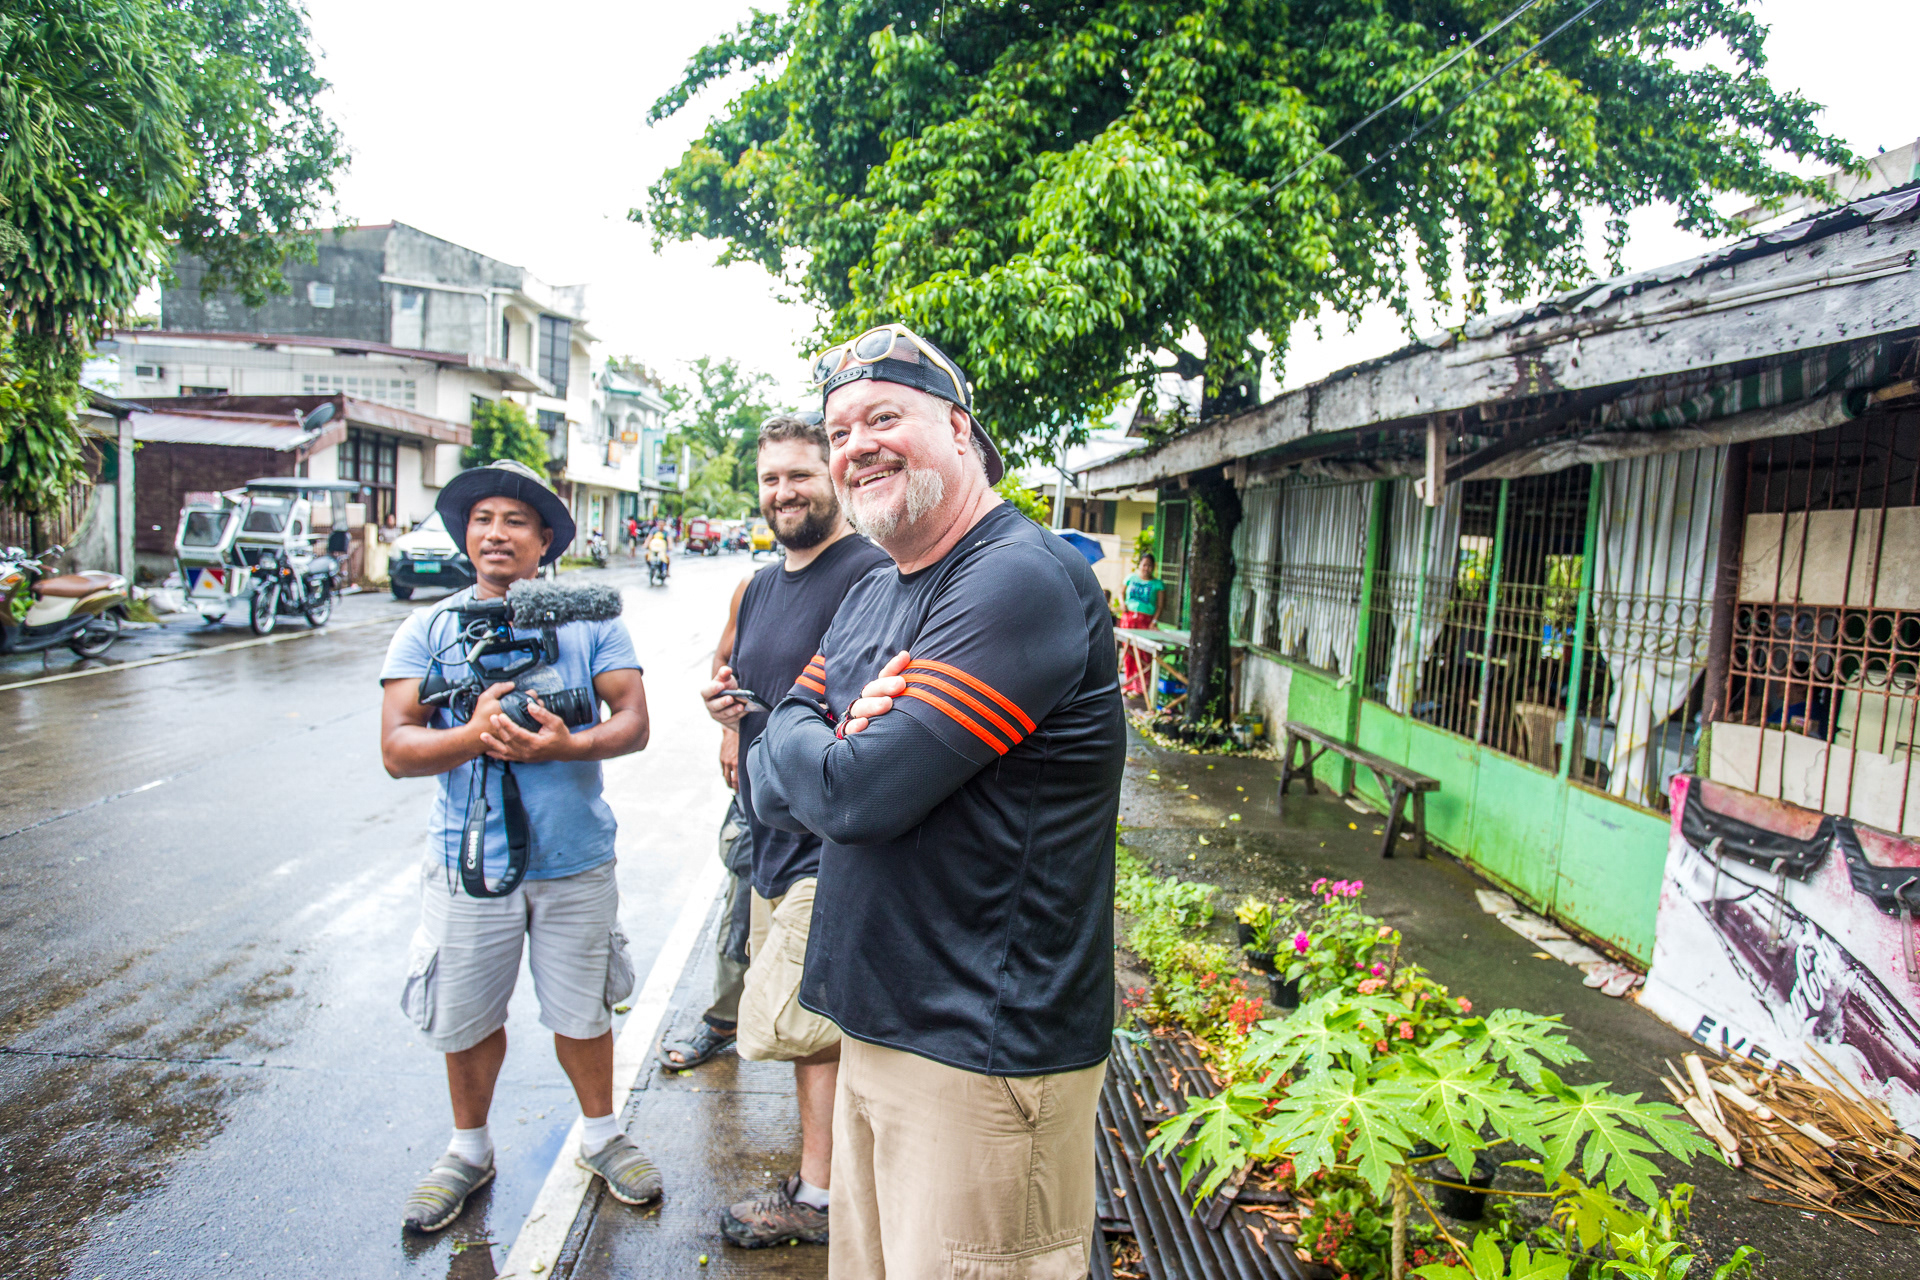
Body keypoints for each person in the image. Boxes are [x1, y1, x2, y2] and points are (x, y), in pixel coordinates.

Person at [746, 327, 1125, 1277]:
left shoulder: (1018, 579)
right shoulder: (877, 592)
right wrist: (813, 739)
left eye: (885, 416)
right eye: (840, 429)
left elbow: (857, 794)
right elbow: (767, 776)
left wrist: (823, 743)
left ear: (959, 429)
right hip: (875, 1026)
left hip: (981, 1057)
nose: (856, 444)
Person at [377, 459, 665, 1233]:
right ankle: (468, 1151)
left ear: (545, 541)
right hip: (470, 863)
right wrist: (474, 735)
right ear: (465, 536)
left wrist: (561, 748)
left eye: (515, 521)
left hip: (575, 857)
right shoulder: (427, 629)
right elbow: (398, 748)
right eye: (481, 519)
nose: (495, 533)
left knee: (583, 1007)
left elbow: (633, 722)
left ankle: (601, 1134)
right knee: (468, 1014)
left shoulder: (592, 618)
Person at [671, 412, 889, 1250]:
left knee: (813, 1028)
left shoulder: (869, 575)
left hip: (832, 844)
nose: (783, 492)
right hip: (769, 837)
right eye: (770, 479)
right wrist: (727, 717)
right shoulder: (760, 586)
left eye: (800, 474)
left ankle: (823, 1197)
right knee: (809, 1031)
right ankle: (836, 1185)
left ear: (833, 475)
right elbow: (737, 671)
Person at [1119, 551, 1165, 697]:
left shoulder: (1158, 584)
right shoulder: (1130, 578)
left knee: (1144, 654)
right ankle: (1128, 684)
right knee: (1129, 653)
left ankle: (1141, 688)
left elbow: (1160, 606)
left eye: (1150, 566)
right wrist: (1122, 604)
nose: (1147, 568)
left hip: (1146, 622)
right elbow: (1121, 592)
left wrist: (1154, 621)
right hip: (1129, 619)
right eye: (1144, 565)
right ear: (1139, 565)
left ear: (1153, 567)